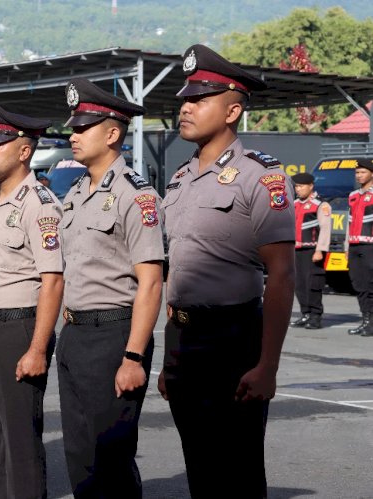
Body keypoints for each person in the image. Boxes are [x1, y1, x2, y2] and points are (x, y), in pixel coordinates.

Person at [158, 44, 295, 498]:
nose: (186, 108)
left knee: (237, 472)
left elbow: (281, 274)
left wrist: (267, 365)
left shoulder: (262, 176)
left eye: (200, 100)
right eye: (185, 99)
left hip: (232, 340)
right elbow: (177, 269)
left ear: (233, 109)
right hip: (183, 342)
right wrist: (167, 359)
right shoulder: (178, 179)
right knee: (199, 467)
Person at [57, 78, 164, 498]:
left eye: (83, 127)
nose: (73, 134)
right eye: (74, 127)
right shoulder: (75, 193)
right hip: (76, 334)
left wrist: (134, 356)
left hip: (114, 335)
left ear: (113, 133)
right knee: (78, 452)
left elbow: (151, 282)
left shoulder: (135, 196)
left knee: (111, 455)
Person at [0, 100, 63, 499]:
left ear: (24, 150)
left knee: (20, 441)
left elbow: (53, 281)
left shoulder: (40, 204)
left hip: (19, 330)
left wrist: (38, 347)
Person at [290, 172, 331, 329]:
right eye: (296, 186)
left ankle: (315, 316)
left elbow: (325, 229)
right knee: (299, 284)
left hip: (312, 250)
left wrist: (320, 250)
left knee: (313, 283)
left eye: (301, 186)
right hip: (296, 250)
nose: (298, 189)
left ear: (311, 186)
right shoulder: (294, 204)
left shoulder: (320, 204)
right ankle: (305, 313)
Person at [345, 158, 373, 336]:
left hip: (370, 245)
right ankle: (367, 320)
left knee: (371, 284)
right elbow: (349, 223)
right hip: (355, 246)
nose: (359, 175)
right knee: (359, 284)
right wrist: (346, 246)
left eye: (363, 172)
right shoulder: (353, 195)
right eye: (357, 172)